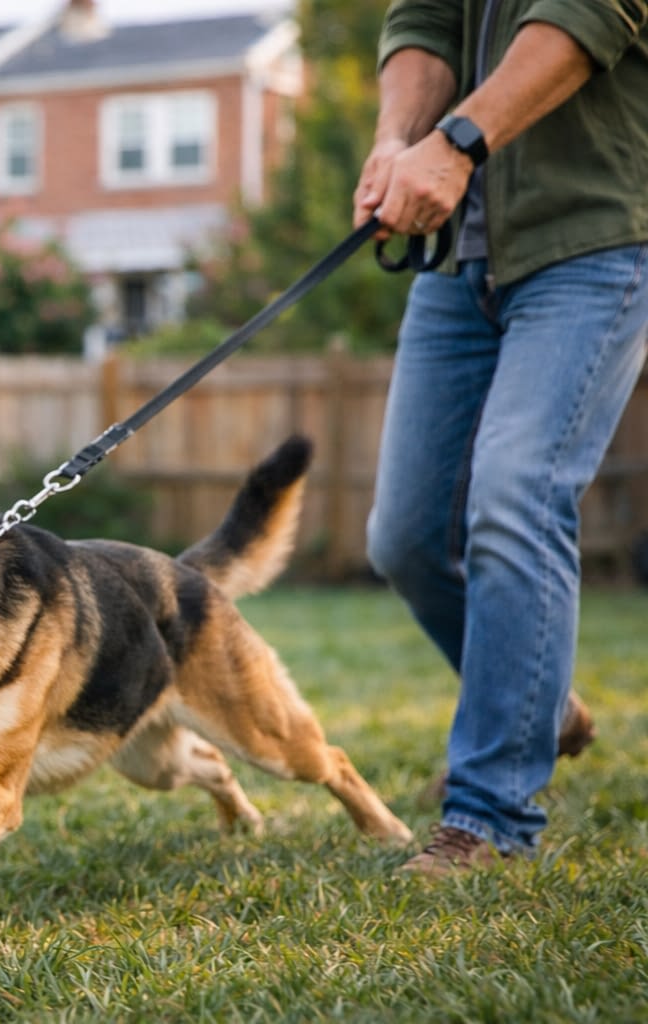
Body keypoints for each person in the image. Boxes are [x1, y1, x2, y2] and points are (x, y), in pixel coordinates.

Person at [354, 1, 648, 874]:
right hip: (458, 252)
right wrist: (396, 140)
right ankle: (537, 706)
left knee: (518, 494)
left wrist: (455, 143)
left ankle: (490, 814)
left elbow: (595, 8)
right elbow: (425, 20)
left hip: (592, 233)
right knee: (403, 537)